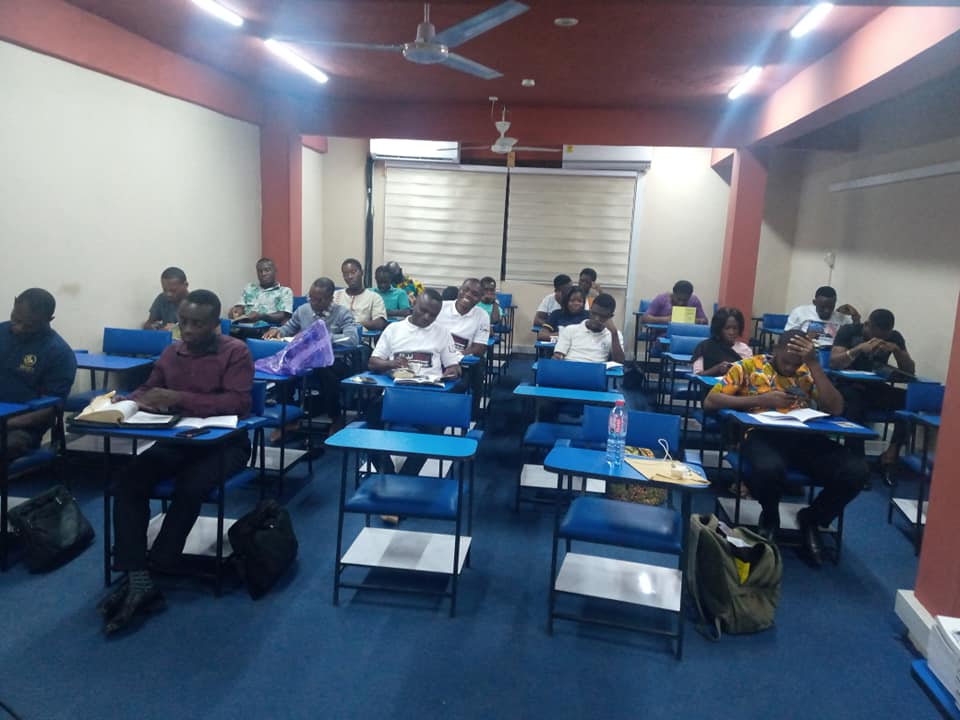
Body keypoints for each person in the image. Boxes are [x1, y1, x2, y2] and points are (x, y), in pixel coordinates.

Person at [99, 290, 253, 634]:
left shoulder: (235, 352)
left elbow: (238, 403)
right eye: (183, 321)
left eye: (197, 324)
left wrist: (179, 398)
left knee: (191, 487)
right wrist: (124, 404)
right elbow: (151, 388)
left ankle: (156, 568)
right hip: (178, 439)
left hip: (224, 444)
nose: (187, 329)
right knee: (129, 480)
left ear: (215, 325)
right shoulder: (171, 352)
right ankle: (138, 574)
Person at [704, 329, 868, 565]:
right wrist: (760, 400)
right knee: (770, 468)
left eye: (797, 362)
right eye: (786, 361)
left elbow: (836, 409)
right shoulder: (748, 367)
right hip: (761, 434)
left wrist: (813, 364)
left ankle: (812, 518)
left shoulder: (807, 372)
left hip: (804, 436)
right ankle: (770, 517)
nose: (791, 367)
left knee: (856, 470)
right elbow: (711, 401)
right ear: (775, 350)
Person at [368, 289, 461, 478]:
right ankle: (387, 473)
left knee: (434, 430)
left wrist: (452, 371)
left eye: (433, 315)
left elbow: (454, 366)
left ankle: (406, 477)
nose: (427, 317)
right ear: (413, 305)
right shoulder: (394, 329)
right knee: (368, 427)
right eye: (423, 310)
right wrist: (390, 364)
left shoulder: (442, 333)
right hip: (395, 396)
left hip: (429, 398)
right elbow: (373, 362)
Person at [264, 278, 358, 431]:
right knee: (285, 365)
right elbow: (289, 328)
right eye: (310, 298)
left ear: (330, 298)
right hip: (306, 359)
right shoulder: (304, 310)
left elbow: (352, 339)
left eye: (318, 300)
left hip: (333, 360)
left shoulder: (342, 313)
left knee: (326, 370)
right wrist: (278, 332)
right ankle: (289, 417)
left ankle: (336, 417)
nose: (313, 302)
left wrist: (325, 338)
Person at [830, 308, 916, 473]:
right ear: (867, 325)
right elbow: (834, 363)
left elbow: (909, 371)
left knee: (909, 401)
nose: (879, 339)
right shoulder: (849, 331)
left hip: (875, 388)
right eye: (876, 335)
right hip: (847, 386)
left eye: (884, 336)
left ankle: (890, 456)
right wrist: (858, 349)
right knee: (855, 405)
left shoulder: (894, 337)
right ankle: (857, 462)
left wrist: (897, 351)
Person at [0, 289, 76, 460]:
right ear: (14, 303)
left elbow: (51, 409)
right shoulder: (1, 332)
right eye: (16, 320)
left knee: (8, 445)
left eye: (29, 325)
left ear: (49, 320)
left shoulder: (58, 353)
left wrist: (5, 423)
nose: (18, 328)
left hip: (20, 426)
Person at [552, 293, 625, 364]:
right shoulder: (570, 330)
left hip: (595, 373)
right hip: (569, 369)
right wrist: (558, 358)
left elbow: (619, 362)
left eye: (602, 316)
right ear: (590, 309)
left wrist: (614, 333)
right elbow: (558, 356)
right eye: (594, 313)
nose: (596, 319)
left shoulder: (614, 335)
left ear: (610, 317)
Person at [784, 286, 859, 347]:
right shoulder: (800, 312)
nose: (827, 311)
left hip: (831, 354)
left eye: (830, 307)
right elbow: (787, 337)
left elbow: (855, 336)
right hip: (805, 349)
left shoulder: (841, 317)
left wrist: (856, 316)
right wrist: (806, 337)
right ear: (814, 302)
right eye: (822, 307)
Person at [228, 258, 293, 324]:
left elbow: (283, 315)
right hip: (244, 326)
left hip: (267, 329)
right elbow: (240, 306)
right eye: (260, 271)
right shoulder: (249, 287)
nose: (263, 274)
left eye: (267, 270)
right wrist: (237, 311)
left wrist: (261, 316)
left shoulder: (285, 291)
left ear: (275, 271)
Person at [692, 307, 752, 376]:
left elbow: (748, 375)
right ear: (719, 329)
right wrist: (717, 368)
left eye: (735, 328)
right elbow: (698, 375)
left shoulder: (745, 349)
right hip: (712, 386)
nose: (731, 332)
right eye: (727, 328)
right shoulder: (704, 347)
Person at [334, 258, 387, 332]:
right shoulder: (335, 295)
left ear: (362, 272)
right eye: (345, 274)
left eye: (353, 272)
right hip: (336, 339)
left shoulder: (374, 297)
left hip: (362, 340)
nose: (350, 276)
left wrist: (355, 325)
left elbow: (380, 323)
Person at [642, 280, 708, 329]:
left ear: (690, 296)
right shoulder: (661, 299)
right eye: (678, 299)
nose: (681, 303)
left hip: (686, 334)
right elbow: (645, 318)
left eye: (685, 300)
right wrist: (665, 319)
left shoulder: (694, 301)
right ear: (673, 293)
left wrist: (696, 321)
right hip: (663, 335)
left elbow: (705, 321)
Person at [143, 266, 188, 334]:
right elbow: (148, 324)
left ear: (186, 285)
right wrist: (156, 328)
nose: (168, 294)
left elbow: (202, 331)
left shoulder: (195, 303)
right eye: (165, 290)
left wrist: (177, 329)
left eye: (173, 290)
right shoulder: (162, 298)